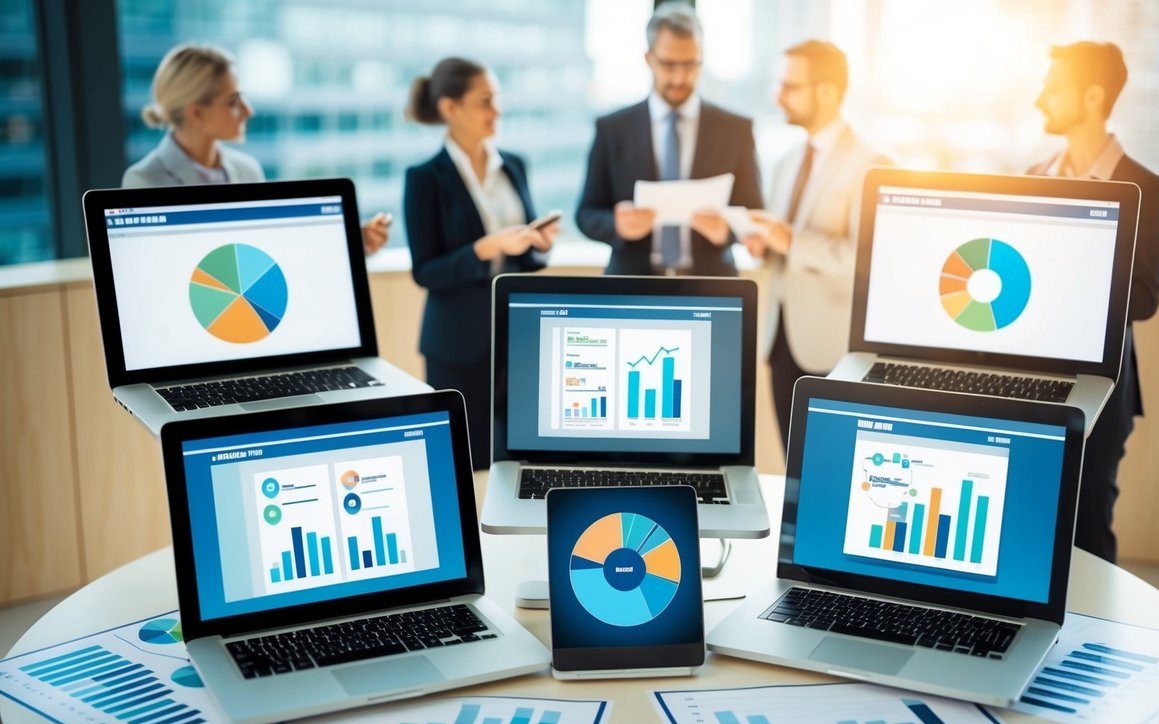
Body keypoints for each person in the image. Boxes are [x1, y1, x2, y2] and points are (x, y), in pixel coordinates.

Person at [1029, 41, 1159, 563]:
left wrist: (1064, 277)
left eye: (1052, 87)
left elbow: (1145, 297)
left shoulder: (1142, 185)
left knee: (1088, 527)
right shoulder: (1034, 175)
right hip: (1034, 383)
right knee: (1032, 519)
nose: (1040, 97)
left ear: (1091, 97)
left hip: (1102, 392)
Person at [403, 57, 557, 469]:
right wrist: (481, 250)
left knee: (523, 458)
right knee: (467, 462)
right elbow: (425, 271)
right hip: (458, 344)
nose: (497, 111)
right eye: (485, 101)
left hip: (520, 336)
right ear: (450, 109)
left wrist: (537, 244)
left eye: (498, 99)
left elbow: (528, 256)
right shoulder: (425, 178)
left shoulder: (514, 164)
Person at [745, 40, 891, 449]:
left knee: (829, 472)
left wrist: (790, 239)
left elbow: (866, 259)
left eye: (791, 87)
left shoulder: (872, 164)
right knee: (794, 465)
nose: (779, 97)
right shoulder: (787, 160)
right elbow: (784, 248)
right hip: (780, 340)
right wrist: (764, 243)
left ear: (826, 91)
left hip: (831, 348)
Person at [123, 43, 390, 254]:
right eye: (233, 101)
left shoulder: (246, 169)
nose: (248, 111)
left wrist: (353, 240)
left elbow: (265, 250)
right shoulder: (145, 180)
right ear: (196, 113)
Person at [575, 1, 762, 276]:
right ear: (648, 58)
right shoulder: (612, 129)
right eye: (669, 64)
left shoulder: (737, 130)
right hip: (633, 284)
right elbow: (586, 213)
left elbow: (755, 211)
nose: (679, 77)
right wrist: (616, 225)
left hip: (711, 285)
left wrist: (729, 230)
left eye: (690, 65)